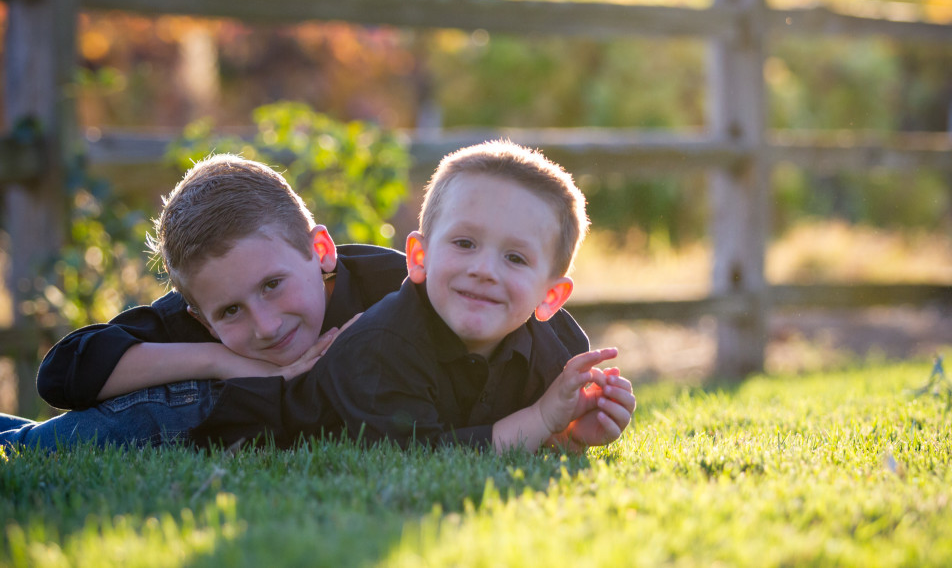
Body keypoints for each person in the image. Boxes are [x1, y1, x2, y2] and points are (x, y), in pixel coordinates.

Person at [2, 146, 631, 452]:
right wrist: (233, 361)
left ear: (321, 250)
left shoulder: (403, 287)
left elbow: (507, 343)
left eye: (275, 285)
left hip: (281, 423)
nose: (267, 323)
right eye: (230, 313)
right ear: (200, 314)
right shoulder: (212, 314)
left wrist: (578, 416)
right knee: (36, 446)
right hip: (193, 409)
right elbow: (65, 371)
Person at [191, 140, 635, 452]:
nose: (483, 269)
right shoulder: (381, 344)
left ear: (551, 296)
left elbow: (519, 436)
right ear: (419, 257)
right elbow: (426, 455)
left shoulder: (561, 355)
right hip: (217, 414)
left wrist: (572, 429)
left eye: (515, 258)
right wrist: (540, 419)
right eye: (464, 243)